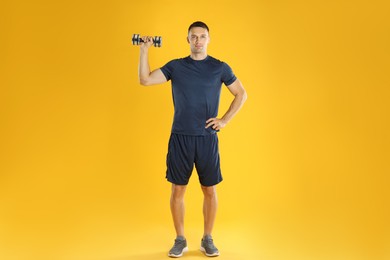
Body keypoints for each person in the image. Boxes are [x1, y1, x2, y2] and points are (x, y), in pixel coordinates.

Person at [138, 21, 247, 258]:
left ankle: (208, 238)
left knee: (209, 189)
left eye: (202, 36)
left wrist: (225, 120)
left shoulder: (220, 67)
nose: (198, 40)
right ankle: (180, 239)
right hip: (180, 137)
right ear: (187, 40)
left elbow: (241, 93)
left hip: (207, 139)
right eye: (194, 37)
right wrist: (144, 50)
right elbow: (145, 80)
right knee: (178, 189)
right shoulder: (176, 67)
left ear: (209, 39)